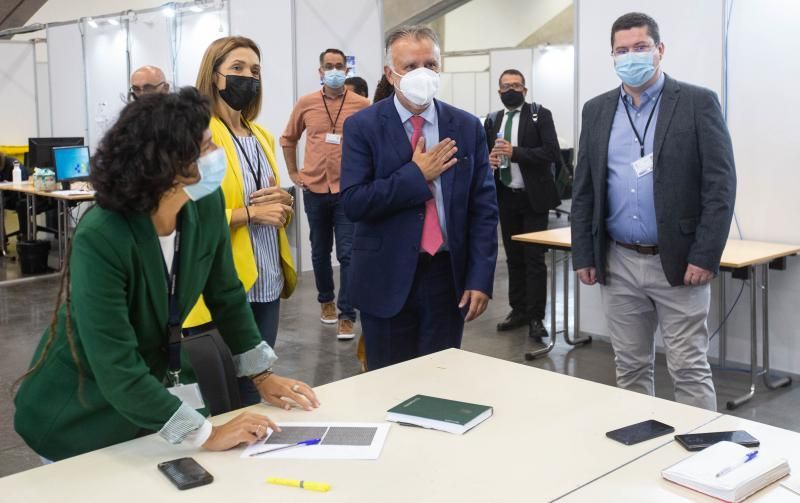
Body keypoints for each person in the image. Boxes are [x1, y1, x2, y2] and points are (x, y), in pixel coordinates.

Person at [13, 88, 319, 462]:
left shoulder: (204, 206)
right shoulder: (102, 235)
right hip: (79, 413)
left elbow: (227, 295)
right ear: (166, 163)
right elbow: (115, 367)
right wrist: (207, 433)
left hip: (150, 404)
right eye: (205, 146)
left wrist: (262, 375)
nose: (216, 154)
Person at [571, 12, 736, 411]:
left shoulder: (697, 103)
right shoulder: (596, 110)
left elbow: (721, 185)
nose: (632, 56)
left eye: (640, 47)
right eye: (622, 50)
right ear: (612, 56)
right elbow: (585, 189)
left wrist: (705, 254)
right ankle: (641, 450)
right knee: (629, 368)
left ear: (659, 50)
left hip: (679, 262)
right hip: (619, 260)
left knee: (689, 369)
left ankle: (703, 459)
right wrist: (583, 254)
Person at [340, 25, 498, 370]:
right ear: (390, 73)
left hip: (447, 276)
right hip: (386, 277)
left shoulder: (467, 126)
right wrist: (416, 176)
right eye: (411, 66)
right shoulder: (363, 127)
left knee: (439, 381)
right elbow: (354, 202)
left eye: (430, 64)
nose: (422, 74)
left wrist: (480, 277)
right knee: (389, 385)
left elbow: (483, 209)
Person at [185, 36, 297, 406]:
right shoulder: (197, 135)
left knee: (255, 386)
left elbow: (269, 200)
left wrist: (282, 202)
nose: (247, 77)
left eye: (255, 71)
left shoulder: (261, 135)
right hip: (224, 284)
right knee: (221, 395)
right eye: (237, 69)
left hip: (266, 278)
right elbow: (186, 214)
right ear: (214, 75)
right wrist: (249, 214)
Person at [280, 48, 370, 340]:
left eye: (339, 65)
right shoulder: (306, 103)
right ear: (320, 71)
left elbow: (374, 142)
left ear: (347, 70)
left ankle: (347, 314)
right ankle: (326, 301)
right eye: (328, 66)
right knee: (319, 251)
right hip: (315, 188)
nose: (334, 70)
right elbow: (288, 138)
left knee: (347, 254)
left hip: (347, 189)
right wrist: (294, 174)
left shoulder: (362, 104)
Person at [485, 69, 561, 341]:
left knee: (534, 260)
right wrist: (490, 162)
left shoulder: (540, 114)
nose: (511, 90)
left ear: (525, 90)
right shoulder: (493, 120)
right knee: (514, 257)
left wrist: (514, 153)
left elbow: (551, 152)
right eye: (506, 86)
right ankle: (518, 310)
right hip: (506, 196)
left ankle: (536, 317)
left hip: (534, 199)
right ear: (499, 91)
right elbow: (486, 153)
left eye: (516, 85)